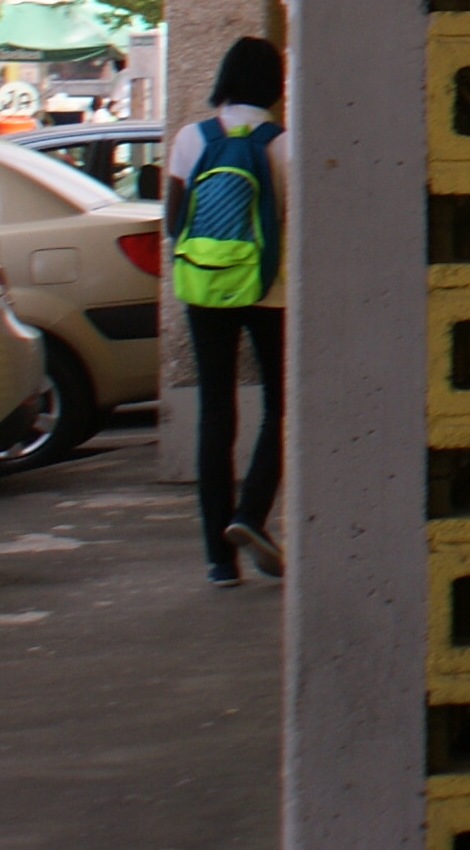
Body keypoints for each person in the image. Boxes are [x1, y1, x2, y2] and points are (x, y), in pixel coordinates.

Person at [166, 36, 287, 586]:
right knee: (280, 407)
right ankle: (251, 514)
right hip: (270, 288)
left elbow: (174, 222)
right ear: (275, 84)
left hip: (204, 284)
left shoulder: (191, 139)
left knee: (216, 410)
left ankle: (219, 560)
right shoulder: (285, 145)